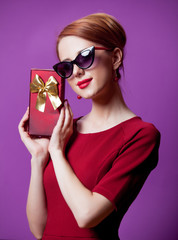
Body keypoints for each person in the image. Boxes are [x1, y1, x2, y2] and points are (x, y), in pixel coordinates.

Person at [18, 13, 160, 240]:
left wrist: (57, 152)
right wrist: (39, 157)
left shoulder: (141, 135)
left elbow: (86, 216)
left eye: (85, 57)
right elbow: (38, 230)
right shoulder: (64, 132)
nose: (76, 72)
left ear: (115, 58)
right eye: (67, 66)